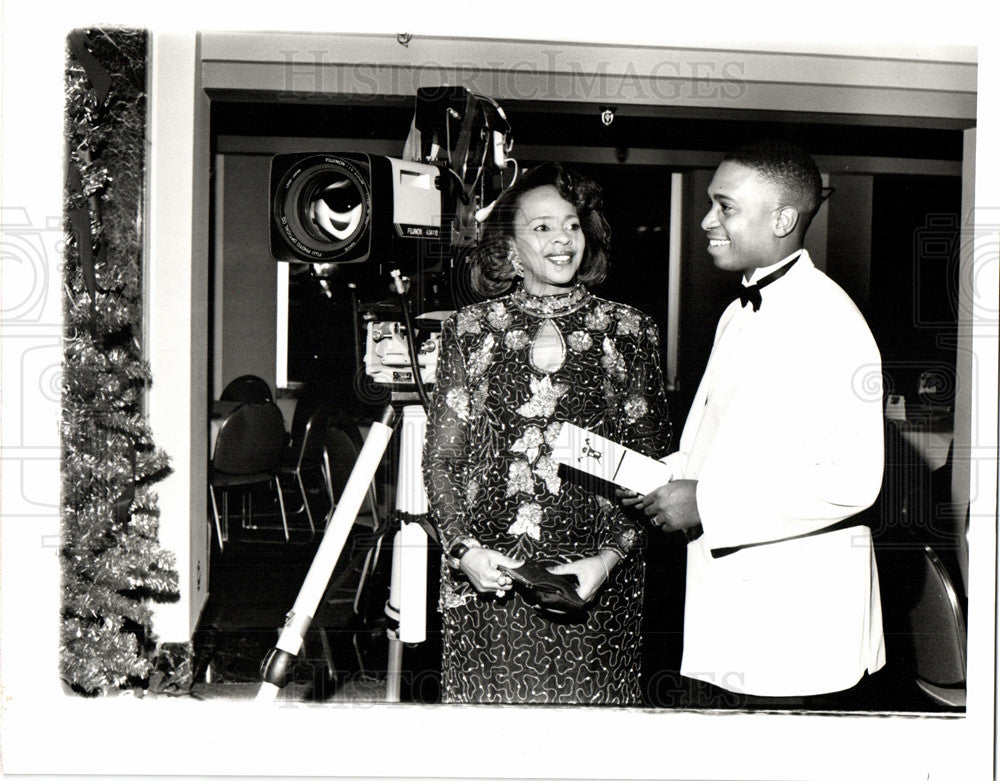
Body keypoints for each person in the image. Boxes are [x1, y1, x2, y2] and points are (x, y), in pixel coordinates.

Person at [632, 140, 886, 705]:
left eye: (725, 207)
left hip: (796, 628)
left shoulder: (830, 321)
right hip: (736, 612)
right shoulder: (736, 311)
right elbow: (721, 443)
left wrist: (707, 504)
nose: (706, 221)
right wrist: (655, 472)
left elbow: (853, 481)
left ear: (782, 219)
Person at [423, 162, 671, 704]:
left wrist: (607, 560)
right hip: (489, 583)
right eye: (541, 227)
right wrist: (464, 551)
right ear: (509, 248)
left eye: (573, 225)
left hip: (594, 586)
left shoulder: (628, 331)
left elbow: (655, 477)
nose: (562, 238)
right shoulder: (467, 331)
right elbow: (441, 461)